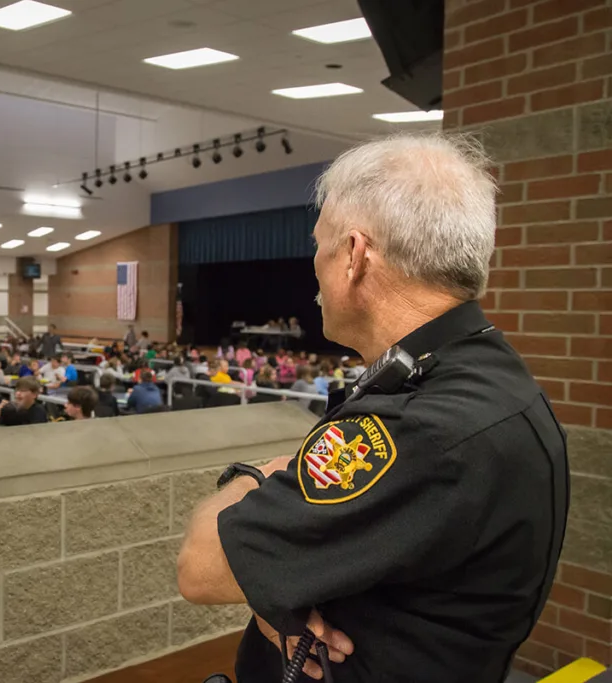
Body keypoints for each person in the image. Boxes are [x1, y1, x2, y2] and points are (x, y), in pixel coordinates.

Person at [176, 134, 567, 683]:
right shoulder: (487, 376)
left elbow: (202, 563)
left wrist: (256, 477)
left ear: (355, 256)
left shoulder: (422, 426)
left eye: (319, 245)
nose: (313, 265)